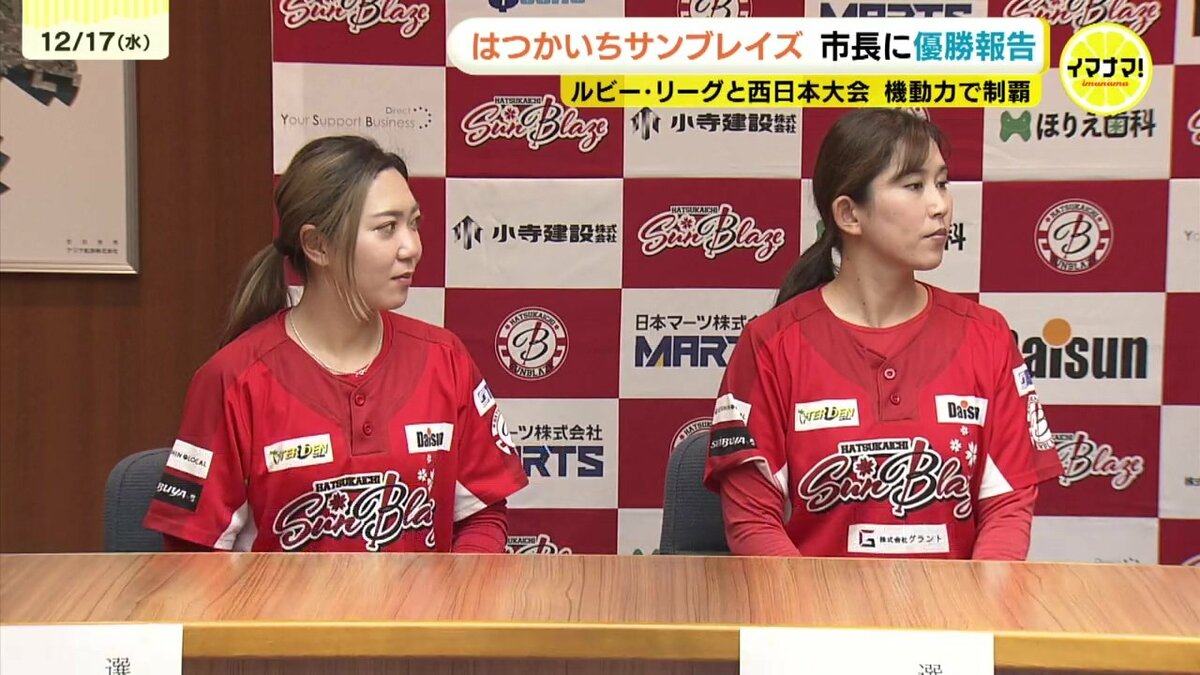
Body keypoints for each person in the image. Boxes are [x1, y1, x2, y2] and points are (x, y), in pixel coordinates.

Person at [703, 109, 1063, 560]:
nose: (940, 205)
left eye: (942, 183)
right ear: (849, 214)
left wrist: (975, 604)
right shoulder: (770, 344)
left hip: (958, 605)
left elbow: (1008, 510)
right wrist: (813, 606)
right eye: (913, 185)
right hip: (809, 604)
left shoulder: (987, 337)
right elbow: (753, 523)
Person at [143, 135, 528, 553]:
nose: (412, 248)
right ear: (317, 245)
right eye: (387, 228)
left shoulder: (444, 359)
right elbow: (193, 557)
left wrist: (455, 592)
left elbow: (482, 514)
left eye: (414, 223)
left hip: (423, 600)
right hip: (280, 601)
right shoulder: (232, 380)